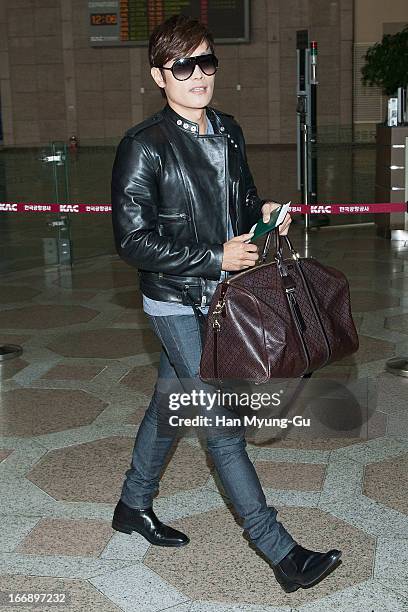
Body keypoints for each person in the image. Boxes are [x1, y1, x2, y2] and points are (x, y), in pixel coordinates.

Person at [110, 14, 341, 593]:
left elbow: (242, 201)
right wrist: (215, 257)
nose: (197, 76)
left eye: (205, 61)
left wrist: (262, 215)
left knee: (172, 400)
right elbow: (132, 240)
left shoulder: (229, 130)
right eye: (182, 66)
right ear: (159, 75)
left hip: (225, 298)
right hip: (175, 300)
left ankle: (132, 506)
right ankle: (280, 552)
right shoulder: (144, 146)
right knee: (219, 426)